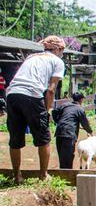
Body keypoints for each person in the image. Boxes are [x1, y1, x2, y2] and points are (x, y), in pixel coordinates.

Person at [6, 35, 65, 184]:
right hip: (32, 94)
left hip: (12, 94)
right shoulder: (57, 61)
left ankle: (17, 176)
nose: (62, 53)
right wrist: (48, 110)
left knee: (15, 138)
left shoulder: (31, 57)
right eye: (62, 50)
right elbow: (51, 90)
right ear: (57, 49)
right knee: (44, 138)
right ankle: (43, 174)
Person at [52, 92, 93, 169]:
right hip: (69, 133)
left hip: (59, 132)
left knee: (61, 154)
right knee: (68, 156)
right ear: (81, 100)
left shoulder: (65, 105)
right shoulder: (79, 109)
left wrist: (58, 121)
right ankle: (66, 175)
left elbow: (54, 112)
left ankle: (62, 173)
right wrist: (90, 131)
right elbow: (85, 123)